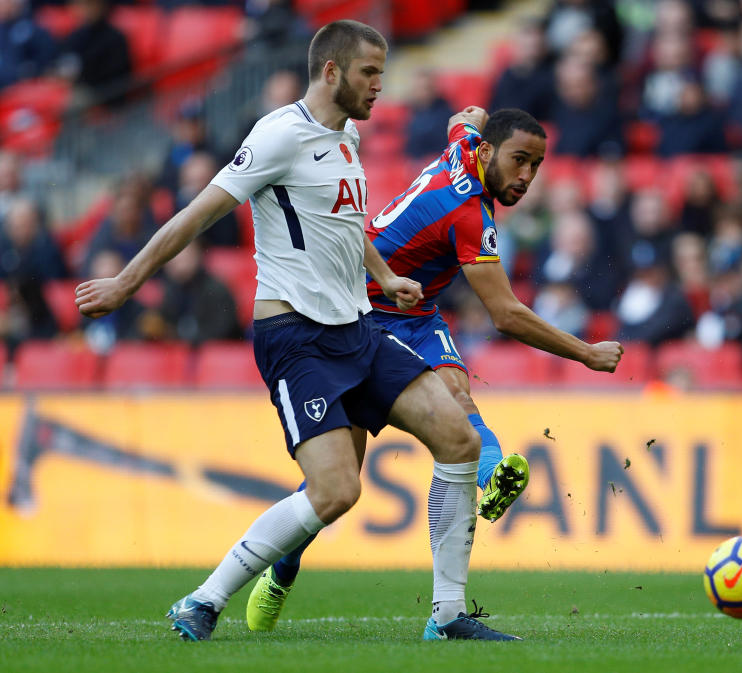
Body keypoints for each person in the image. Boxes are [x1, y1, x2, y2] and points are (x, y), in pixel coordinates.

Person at [75, 20, 520, 643]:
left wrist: (387, 277)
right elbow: (198, 213)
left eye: (383, 73)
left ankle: (446, 617)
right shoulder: (280, 135)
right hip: (295, 337)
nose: (379, 86)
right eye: (370, 72)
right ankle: (202, 600)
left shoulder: (346, 136)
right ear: (331, 71)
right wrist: (126, 282)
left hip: (356, 329)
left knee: (458, 438)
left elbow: (347, 227)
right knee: (338, 490)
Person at [245, 106, 624, 630]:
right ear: (489, 153)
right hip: (360, 312)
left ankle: (487, 489)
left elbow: (462, 119)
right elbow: (506, 314)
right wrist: (586, 352)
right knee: (336, 486)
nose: (527, 176)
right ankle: (281, 571)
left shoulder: (467, 146)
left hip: (416, 311)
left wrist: (471, 119)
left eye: (536, 165)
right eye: (520, 161)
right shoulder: (468, 211)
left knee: (458, 401)